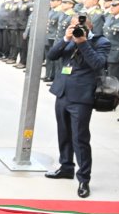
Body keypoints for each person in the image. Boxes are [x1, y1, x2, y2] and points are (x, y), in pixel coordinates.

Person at [45, 13, 110, 198]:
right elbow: (51, 56)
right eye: (73, 26)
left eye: (79, 27)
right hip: (62, 93)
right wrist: (66, 38)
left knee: (80, 139)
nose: (76, 30)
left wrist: (82, 42)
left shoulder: (101, 42)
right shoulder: (69, 39)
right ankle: (66, 167)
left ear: (89, 27)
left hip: (81, 97)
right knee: (63, 133)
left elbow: (98, 63)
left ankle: (84, 179)